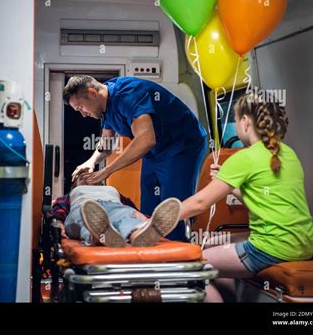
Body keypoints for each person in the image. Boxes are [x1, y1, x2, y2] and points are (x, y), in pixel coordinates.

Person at [176, 92, 313, 302]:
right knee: (212, 242)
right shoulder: (288, 154)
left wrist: (158, 220)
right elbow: (263, 199)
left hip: (271, 247)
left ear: (246, 121)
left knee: (192, 268)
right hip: (301, 244)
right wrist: (231, 187)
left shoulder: (244, 157)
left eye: (235, 119)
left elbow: (200, 202)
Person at [62, 75, 207, 240]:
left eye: (80, 107)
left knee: (171, 206)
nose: (82, 114)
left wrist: (106, 172)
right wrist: (91, 162)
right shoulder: (105, 104)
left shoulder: (129, 94)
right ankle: (145, 244)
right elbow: (107, 144)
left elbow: (146, 139)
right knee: (148, 207)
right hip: (155, 152)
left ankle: (174, 253)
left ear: (92, 93)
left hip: (181, 146)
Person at [50, 171, 182, 247]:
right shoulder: (73, 194)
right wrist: (58, 225)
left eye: (90, 174)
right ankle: (96, 236)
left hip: (115, 207)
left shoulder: (111, 190)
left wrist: (146, 219)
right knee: (86, 218)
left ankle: (140, 235)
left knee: (128, 217)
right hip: (83, 208)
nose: (86, 177)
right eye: (81, 177)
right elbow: (58, 211)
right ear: (74, 185)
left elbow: (130, 208)